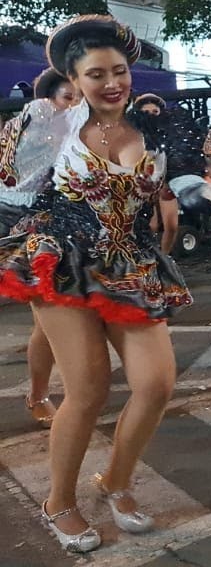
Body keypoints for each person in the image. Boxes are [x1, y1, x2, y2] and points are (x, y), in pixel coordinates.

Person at [0, 15, 211, 552]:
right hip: (63, 260)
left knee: (156, 384)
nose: (112, 83)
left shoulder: (157, 127)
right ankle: (58, 500)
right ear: (75, 79)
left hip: (131, 263)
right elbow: (12, 197)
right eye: (96, 73)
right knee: (87, 389)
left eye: (120, 71)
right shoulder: (50, 126)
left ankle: (116, 481)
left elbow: (186, 188)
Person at [19, 68, 80, 429]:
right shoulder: (36, 135)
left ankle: (77, 395)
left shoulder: (106, 131)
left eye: (79, 97)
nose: (74, 105)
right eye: (66, 98)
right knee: (47, 326)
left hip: (98, 245)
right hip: (45, 240)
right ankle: (41, 394)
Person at [131, 94, 181, 255]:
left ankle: (164, 258)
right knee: (150, 226)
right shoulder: (131, 137)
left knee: (172, 226)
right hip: (141, 187)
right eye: (147, 112)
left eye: (155, 111)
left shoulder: (170, 134)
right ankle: (148, 258)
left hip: (166, 183)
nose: (151, 115)